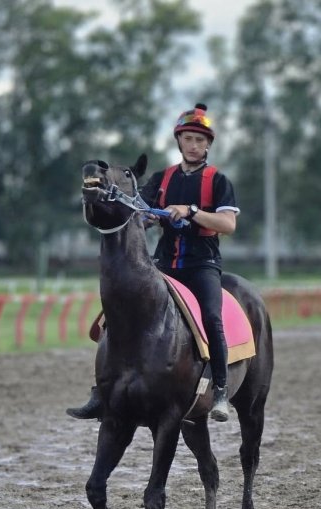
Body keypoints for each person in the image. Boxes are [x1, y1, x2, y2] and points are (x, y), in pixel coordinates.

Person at [67, 102, 240, 422]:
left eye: (200, 140)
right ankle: (101, 390)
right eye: (188, 138)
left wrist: (190, 212)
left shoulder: (218, 181)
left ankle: (220, 391)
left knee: (212, 318)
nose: (193, 145)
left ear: (208, 145)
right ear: (179, 141)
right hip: (163, 264)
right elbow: (141, 212)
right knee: (116, 314)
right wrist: (141, 215)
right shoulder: (163, 178)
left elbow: (228, 225)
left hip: (202, 264)